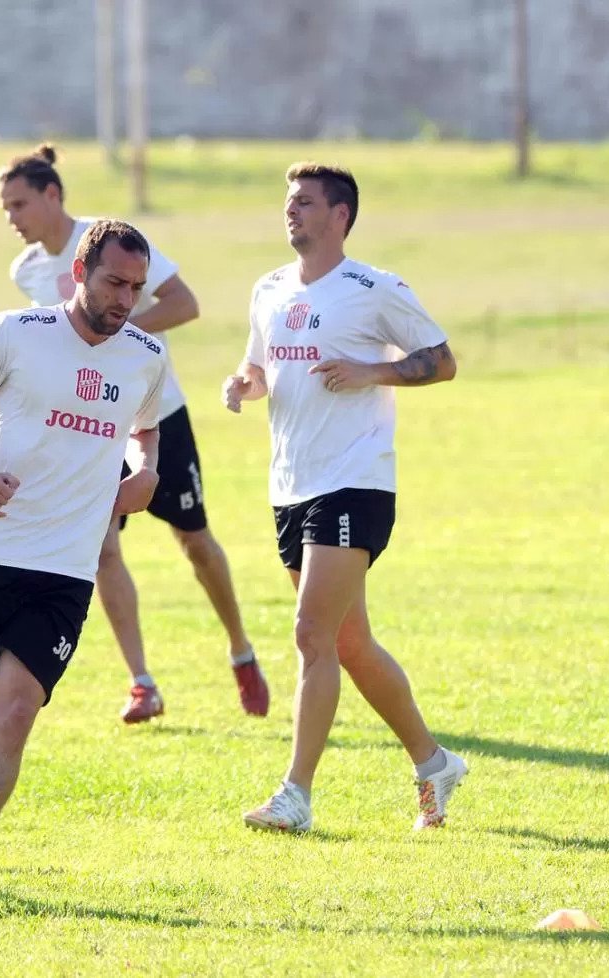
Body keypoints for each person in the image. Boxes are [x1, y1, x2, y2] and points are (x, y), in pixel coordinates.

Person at [0, 220, 168, 909]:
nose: (125, 299)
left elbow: (146, 436)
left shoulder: (144, 354)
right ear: (79, 272)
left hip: (66, 569)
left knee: (15, 710)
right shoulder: (13, 331)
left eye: (136, 287)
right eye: (114, 283)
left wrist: (144, 474)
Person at [222, 162, 468, 833]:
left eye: (304, 202)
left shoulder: (373, 288)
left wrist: (374, 370)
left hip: (355, 480)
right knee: (350, 642)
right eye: (287, 201)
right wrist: (245, 383)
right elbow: (262, 365)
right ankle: (435, 762)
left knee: (310, 634)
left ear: (341, 216)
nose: (290, 211)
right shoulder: (268, 290)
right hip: (290, 483)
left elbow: (442, 360)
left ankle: (295, 795)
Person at [0, 144, 268, 724]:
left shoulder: (107, 239)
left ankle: (241, 650)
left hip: (155, 413)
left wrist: (119, 332)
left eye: (20, 203)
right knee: (103, 549)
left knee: (194, 541)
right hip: (88, 430)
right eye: (4, 208)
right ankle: (142, 682)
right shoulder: (27, 272)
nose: (12, 218)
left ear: (52, 194)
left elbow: (184, 302)